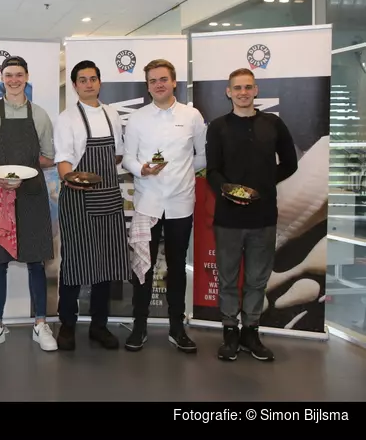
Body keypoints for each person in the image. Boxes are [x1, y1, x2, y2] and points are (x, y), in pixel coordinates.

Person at [206, 67, 297, 362]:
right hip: (228, 219)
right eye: (237, 88)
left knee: (258, 279)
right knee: (229, 279)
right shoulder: (218, 126)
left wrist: (264, 184)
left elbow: (290, 163)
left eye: (248, 87)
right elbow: (212, 171)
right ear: (228, 92)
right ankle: (230, 331)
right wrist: (229, 191)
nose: (243, 92)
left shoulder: (273, 124)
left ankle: (251, 332)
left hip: (264, 216)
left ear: (256, 90)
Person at [0, 55, 57, 353]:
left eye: (19, 75)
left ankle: (40, 324)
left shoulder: (41, 115)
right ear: (1, 77)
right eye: (9, 75)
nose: (14, 80)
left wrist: (27, 168)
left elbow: (47, 156)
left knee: (36, 260)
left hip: (32, 194)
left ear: (27, 77)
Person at [122, 58, 206, 353]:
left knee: (177, 268)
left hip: (181, 204)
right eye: (153, 81)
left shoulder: (192, 115)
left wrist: (181, 172)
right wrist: (142, 169)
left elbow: (202, 156)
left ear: (174, 82)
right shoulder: (137, 119)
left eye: (163, 79)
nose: (158, 84)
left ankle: (176, 327)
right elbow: (127, 158)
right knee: (142, 269)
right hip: (148, 203)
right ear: (147, 87)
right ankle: (139, 326)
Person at [52, 60, 131, 351]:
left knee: (106, 263)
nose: (88, 84)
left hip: (108, 195)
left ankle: (99, 325)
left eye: (93, 79)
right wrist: (71, 179)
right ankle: (67, 325)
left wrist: (99, 177)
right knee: (74, 263)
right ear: (74, 85)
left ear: (100, 82)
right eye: (82, 80)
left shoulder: (112, 113)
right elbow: (62, 159)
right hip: (77, 197)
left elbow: (117, 156)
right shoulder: (67, 117)